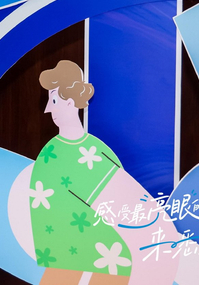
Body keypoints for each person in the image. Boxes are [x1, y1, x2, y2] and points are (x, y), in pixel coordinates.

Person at [32, 60, 179, 285]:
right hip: (62, 248)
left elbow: (122, 202)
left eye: (53, 101)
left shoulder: (93, 151)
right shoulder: (52, 152)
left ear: (70, 102)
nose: (48, 109)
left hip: (103, 251)